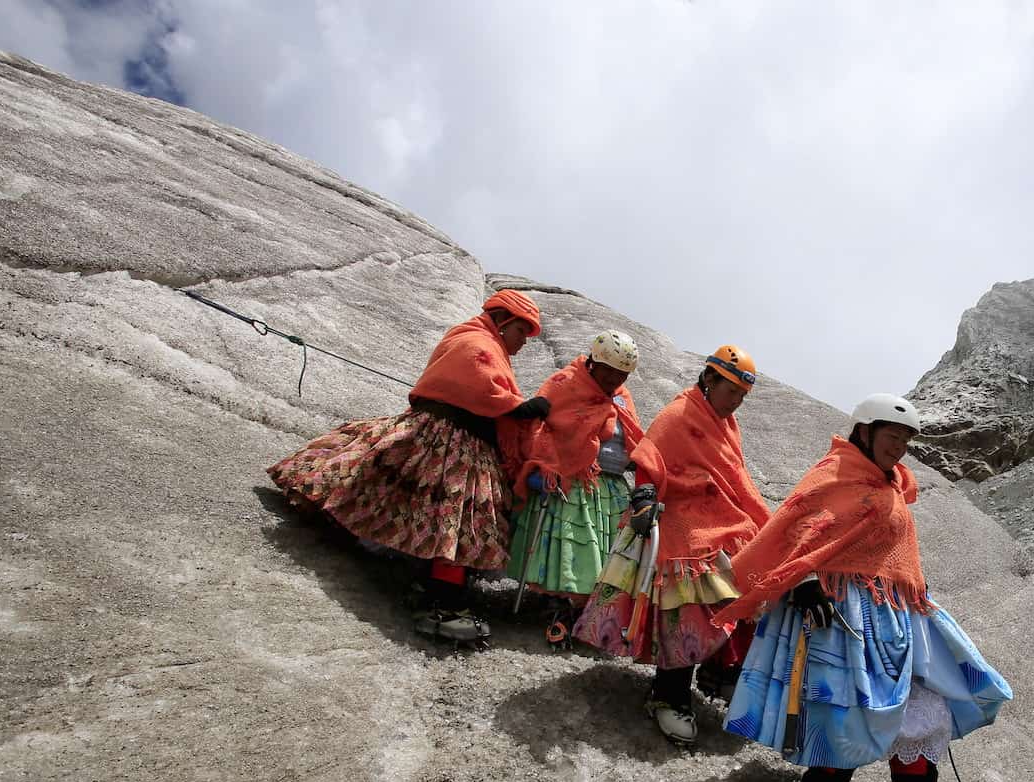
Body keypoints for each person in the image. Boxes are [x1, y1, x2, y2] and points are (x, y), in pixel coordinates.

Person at [717, 392, 1011, 782]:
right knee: (846, 712)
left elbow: (896, 555)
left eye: (906, 439)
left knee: (923, 703)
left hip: (896, 614)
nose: (899, 446)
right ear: (865, 431)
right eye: (892, 435)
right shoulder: (833, 476)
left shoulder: (892, 485)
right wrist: (805, 580)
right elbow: (796, 529)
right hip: (841, 616)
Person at [267, 288, 551, 644]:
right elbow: (478, 387)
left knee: (431, 508)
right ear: (503, 321)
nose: (523, 341)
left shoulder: (483, 343)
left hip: (459, 438)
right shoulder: (477, 343)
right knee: (459, 519)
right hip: (450, 437)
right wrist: (520, 408)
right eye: (521, 331)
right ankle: (440, 604)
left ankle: (419, 579)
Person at [573, 345, 771, 746]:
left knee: (751, 592)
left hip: (721, 517)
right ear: (709, 378)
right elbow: (651, 458)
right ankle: (669, 694)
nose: (735, 402)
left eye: (742, 396)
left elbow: (735, 477)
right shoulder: (679, 414)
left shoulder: (727, 425)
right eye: (731, 390)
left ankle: (720, 675)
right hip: (678, 516)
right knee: (689, 605)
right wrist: (644, 496)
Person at [507, 331, 645, 645]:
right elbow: (540, 430)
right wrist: (547, 463)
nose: (614, 379)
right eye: (609, 371)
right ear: (594, 362)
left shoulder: (622, 397)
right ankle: (561, 607)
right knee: (576, 545)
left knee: (608, 553)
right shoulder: (565, 383)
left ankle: (592, 612)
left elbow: (633, 434)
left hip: (612, 486)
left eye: (621, 374)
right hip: (571, 479)